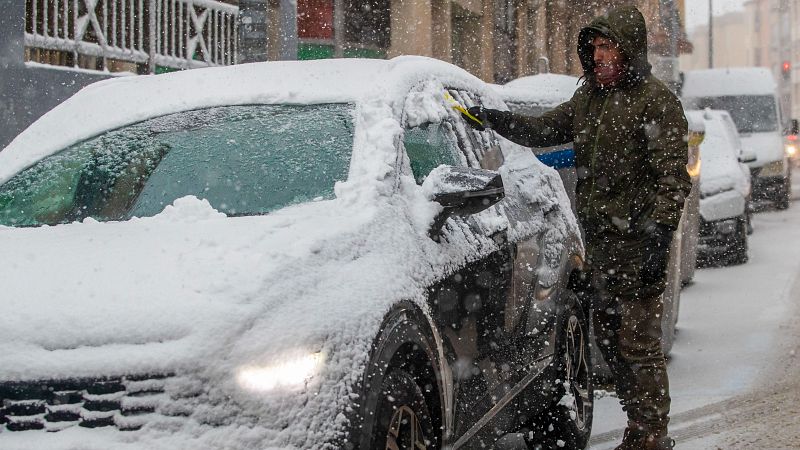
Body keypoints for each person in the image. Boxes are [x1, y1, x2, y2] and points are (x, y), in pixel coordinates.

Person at [462, 6, 690, 450]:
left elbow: (672, 179)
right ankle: (637, 424)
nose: (601, 55)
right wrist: (495, 119)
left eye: (609, 47)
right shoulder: (589, 99)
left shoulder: (655, 101)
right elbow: (544, 128)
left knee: (638, 345)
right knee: (607, 338)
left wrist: (658, 240)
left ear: (629, 50)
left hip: (638, 244)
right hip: (599, 246)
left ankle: (653, 435)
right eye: (596, 48)